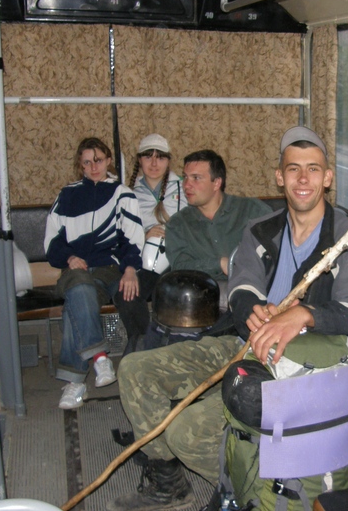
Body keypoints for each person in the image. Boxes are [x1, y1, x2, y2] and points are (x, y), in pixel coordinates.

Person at [106, 126, 348, 511]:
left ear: (328, 178)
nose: (303, 179)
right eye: (293, 169)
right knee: (135, 370)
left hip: (302, 364)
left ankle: (258, 497)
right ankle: (170, 484)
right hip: (245, 343)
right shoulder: (260, 229)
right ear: (279, 177)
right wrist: (252, 307)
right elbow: (242, 282)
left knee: (186, 431)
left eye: (313, 169)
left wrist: (305, 314)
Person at [44, 137, 145, 410]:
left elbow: (133, 239)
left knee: (75, 302)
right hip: (75, 269)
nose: (93, 167)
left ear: (108, 160)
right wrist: (69, 257)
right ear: (80, 165)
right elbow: (51, 242)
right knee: (79, 287)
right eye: (86, 162)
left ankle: (75, 382)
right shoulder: (67, 195)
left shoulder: (122, 194)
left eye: (98, 160)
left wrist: (130, 269)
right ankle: (100, 358)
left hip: (109, 270)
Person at [114, 133, 187, 354]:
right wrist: (143, 235)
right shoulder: (128, 193)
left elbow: (199, 223)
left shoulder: (185, 187)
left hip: (177, 262)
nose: (154, 163)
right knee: (126, 295)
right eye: (148, 157)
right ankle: (144, 348)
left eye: (160, 157)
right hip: (145, 265)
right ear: (139, 160)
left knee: (172, 293)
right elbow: (120, 235)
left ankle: (165, 350)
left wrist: (174, 234)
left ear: (168, 160)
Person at [165, 149, 272, 291]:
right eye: (185, 177)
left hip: (255, 289)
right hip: (202, 295)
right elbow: (180, 268)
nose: (186, 185)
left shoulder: (252, 211)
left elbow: (278, 251)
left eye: (196, 178)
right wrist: (220, 264)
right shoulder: (177, 224)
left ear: (216, 183)